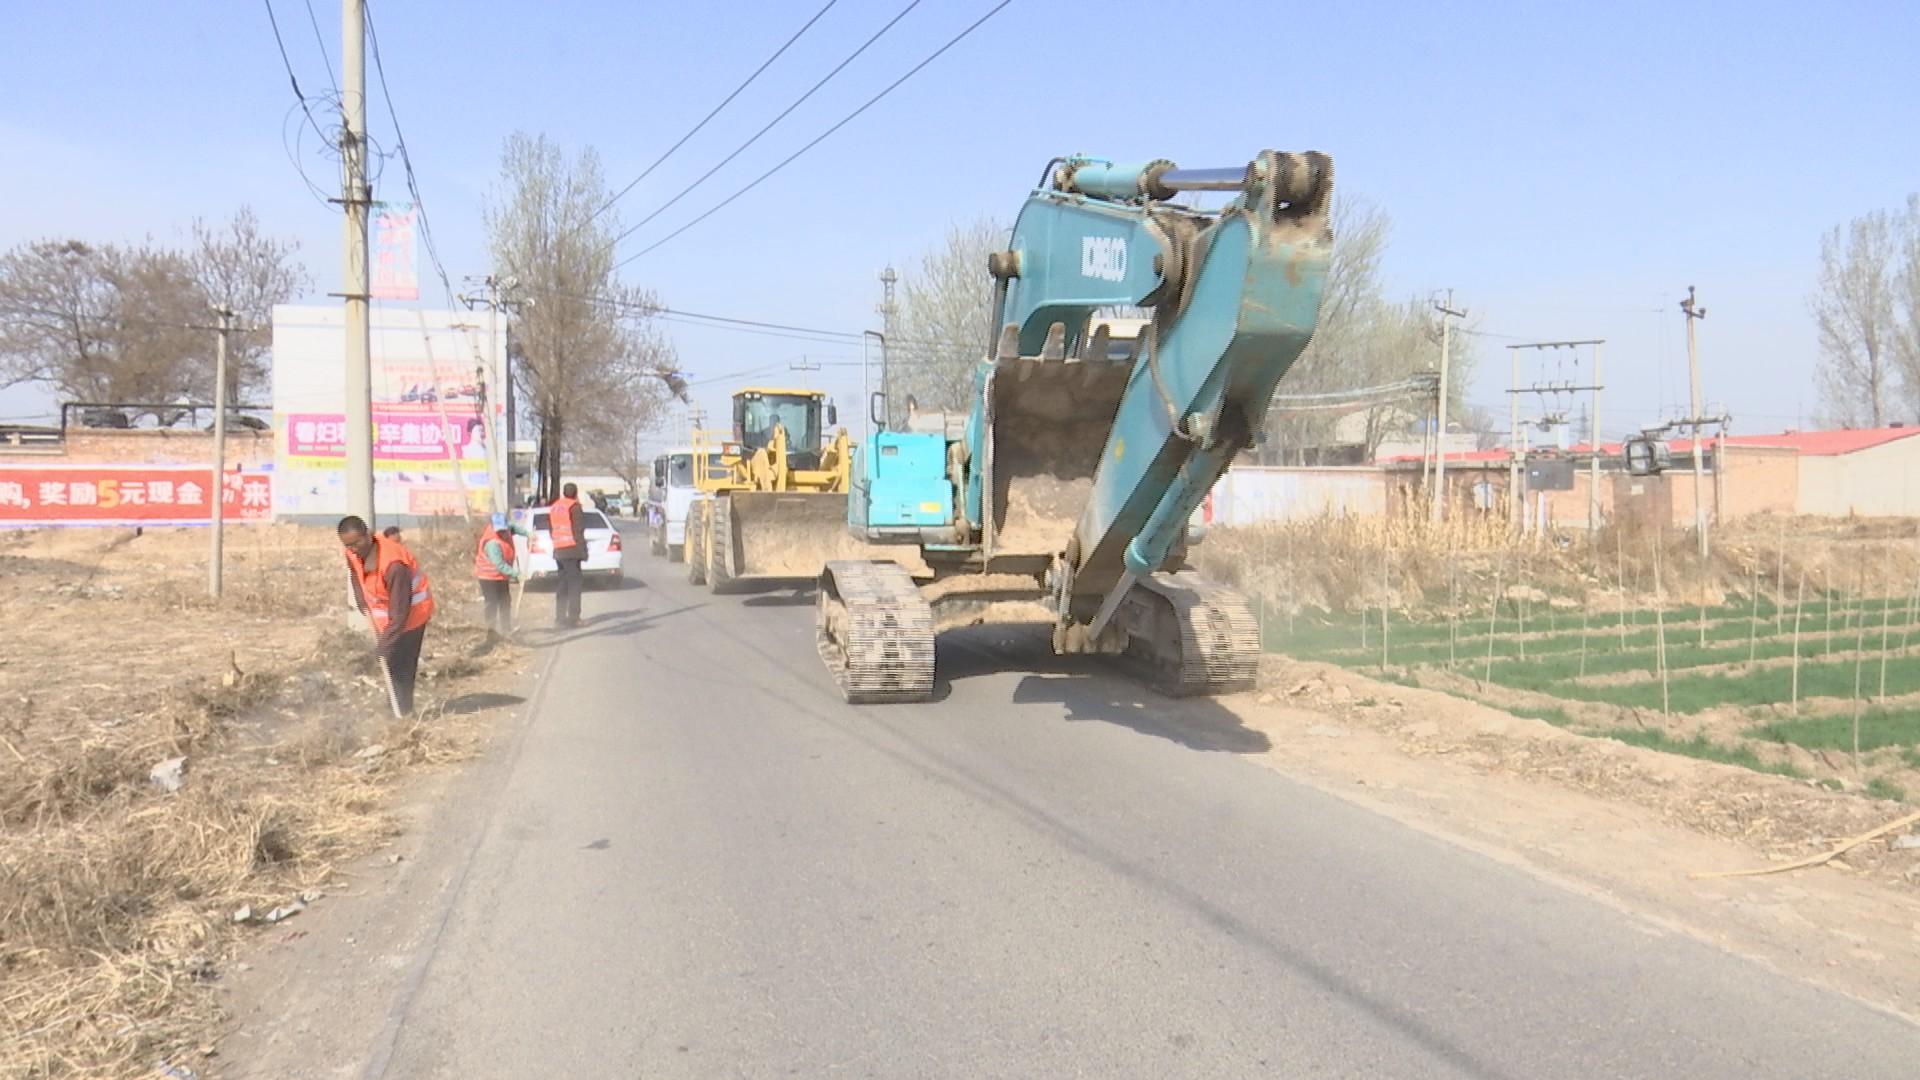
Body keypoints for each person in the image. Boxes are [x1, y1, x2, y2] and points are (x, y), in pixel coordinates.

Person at [338, 516, 435, 718]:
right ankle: (394, 708)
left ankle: (404, 716)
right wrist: (362, 604)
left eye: (356, 543)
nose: (353, 548)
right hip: (387, 617)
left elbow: (400, 615)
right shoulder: (352, 552)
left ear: (368, 534)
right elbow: (356, 576)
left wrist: (382, 645)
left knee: (402, 666)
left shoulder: (394, 565)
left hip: (412, 616)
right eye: (348, 545)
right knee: (391, 665)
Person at [474, 512, 529, 640]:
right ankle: (491, 631)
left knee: (505, 601)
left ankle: (506, 628)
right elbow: (499, 564)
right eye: (499, 530)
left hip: (501, 576)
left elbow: (514, 528)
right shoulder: (492, 543)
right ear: (493, 527)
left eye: (504, 529)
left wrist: (528, 534)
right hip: (488, 576)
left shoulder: (506, 527)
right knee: (492, 602)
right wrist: (517, 574)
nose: (503, 532)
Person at [549, 482, 588, 628]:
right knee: (575, 585)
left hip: (559, 550)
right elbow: (578, 530)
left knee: (562, 585)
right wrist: (583, 551)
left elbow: (551, 529)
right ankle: (574, 617)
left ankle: (559, 618)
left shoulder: (555, 507)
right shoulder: (574, 507)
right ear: (575, 493)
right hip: (572, 549)